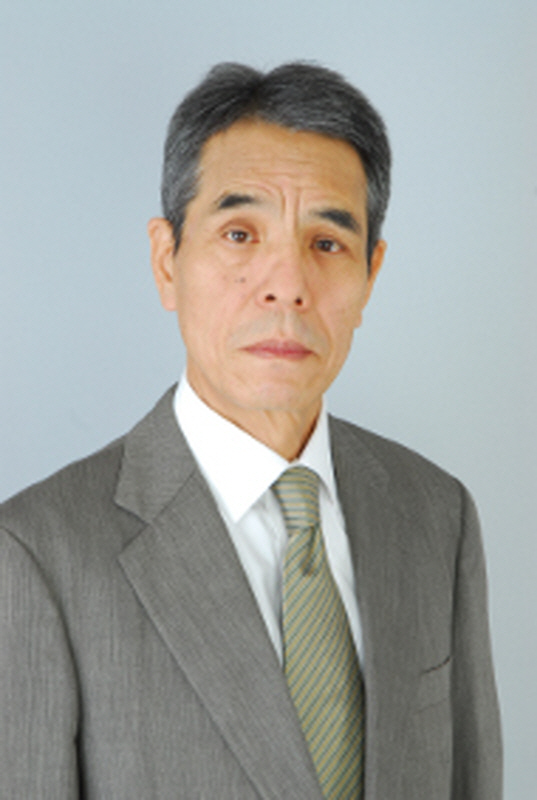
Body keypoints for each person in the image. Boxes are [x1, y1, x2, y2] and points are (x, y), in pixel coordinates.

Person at [0, 62, 502, 799]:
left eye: (327, 243)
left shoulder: (436, 515)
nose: (287, 286)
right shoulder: (36, 555)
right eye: (240, 234)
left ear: (371, 274)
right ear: (166, 261)